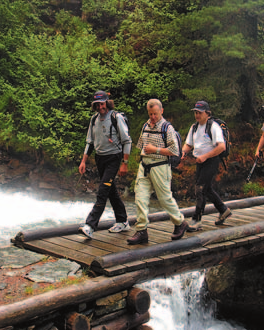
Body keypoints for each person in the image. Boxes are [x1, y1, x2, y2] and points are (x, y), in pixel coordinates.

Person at [127, 99, 189, 245]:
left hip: (160, 166)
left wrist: (156, 150)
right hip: (145, 166)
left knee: (164, 199)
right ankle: (141, 230)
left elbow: (175, 151)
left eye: (155, 113)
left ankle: (180, 222)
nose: (153, 117)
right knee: (140, 197)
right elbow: (141, 145)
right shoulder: (145, 126)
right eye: (150, 114)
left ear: (161, 111)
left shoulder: (167, 128)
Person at [78, 91, 132, 239]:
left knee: (103, 191)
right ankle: (123, 221)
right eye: (97, 104)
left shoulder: (116, 118)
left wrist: (125, 163)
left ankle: (90, 225)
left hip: (114, 158)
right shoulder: (94, 119)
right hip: (100, 158)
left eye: (102, 103)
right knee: (110, 191)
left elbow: (127, 141)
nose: (100, 107)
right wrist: (83, 161)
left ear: (107, 102)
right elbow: (89, 142)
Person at [182, 101, 232, 231]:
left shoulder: (213, 127)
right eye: (195, 112)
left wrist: (206, 156)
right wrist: (183, 152)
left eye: (200, 113)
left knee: (200, 189)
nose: (197, 115)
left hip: (211, 160)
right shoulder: (194, 127)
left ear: (207, 113)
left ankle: (196, 219)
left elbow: (221, 147)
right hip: (199, 161)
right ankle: (223, 210)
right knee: (207, 189)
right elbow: (189, 144)